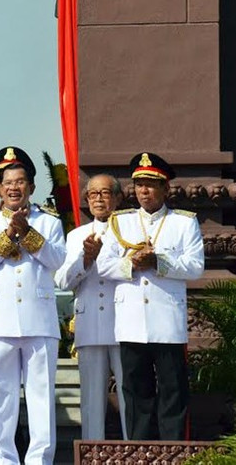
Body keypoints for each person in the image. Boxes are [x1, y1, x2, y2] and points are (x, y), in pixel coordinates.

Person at [0, 146, 65, 465]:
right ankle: (6, 458)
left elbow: (56, 260)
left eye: (20, 181)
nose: (13, 187)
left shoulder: (48, 221)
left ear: (31, 187)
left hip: (39, 319)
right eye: (7, 182)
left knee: (40, 396)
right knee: (2, 398)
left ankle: (39, 459)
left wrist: (29, 234)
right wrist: (8, 235)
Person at [97, 153, 204, 441]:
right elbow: (104, 266)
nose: (144, 191)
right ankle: (139, 451)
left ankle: (173, 452)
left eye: (151, 185)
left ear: (165, 189)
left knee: (173, 390)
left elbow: (195, 267)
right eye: (139, 185)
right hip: (132, 322)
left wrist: (159, 262)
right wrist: (132, 263)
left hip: (167, 321)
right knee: (135, 392)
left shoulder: (183, 223)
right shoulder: (121, 222)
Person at [54, 174, 128, 440]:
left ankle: (134, 450)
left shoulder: (130, 231)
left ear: (118, 198)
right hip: (90, 324)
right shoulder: (76, 235)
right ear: (86, 200)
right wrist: (85, 260)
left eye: (105, 193)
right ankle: (91, 453)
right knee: (91, 398)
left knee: (128, 395)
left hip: (123, 322)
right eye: (93, 194)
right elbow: (62, 280)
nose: (99, 198)